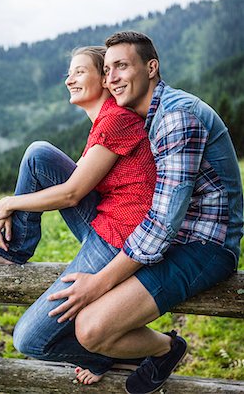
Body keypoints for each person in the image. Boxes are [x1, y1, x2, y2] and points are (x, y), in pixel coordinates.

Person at [45, 31, 243, 394]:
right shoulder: (143, 115)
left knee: (90, 328)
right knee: (42, 157)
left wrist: (100, 281)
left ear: (152, 67)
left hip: (203, 246)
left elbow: (165, 223)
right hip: (169, 239)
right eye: (107, 70)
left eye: (122, 66)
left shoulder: (175, 117)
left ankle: (167, 348)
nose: (112, 78)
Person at [0, 46, 157, 384]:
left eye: (80, 72)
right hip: (105, 222)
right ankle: (10, 250)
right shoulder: (104, 122)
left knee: (29, 339)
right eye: (70, 73)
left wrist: (9, 204)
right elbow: (73, 180)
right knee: (39, 155)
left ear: (105, 79)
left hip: (119, 239)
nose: (70, 80)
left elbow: (71, 193)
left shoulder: (116, 120)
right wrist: (15, 204)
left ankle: (114, 354)